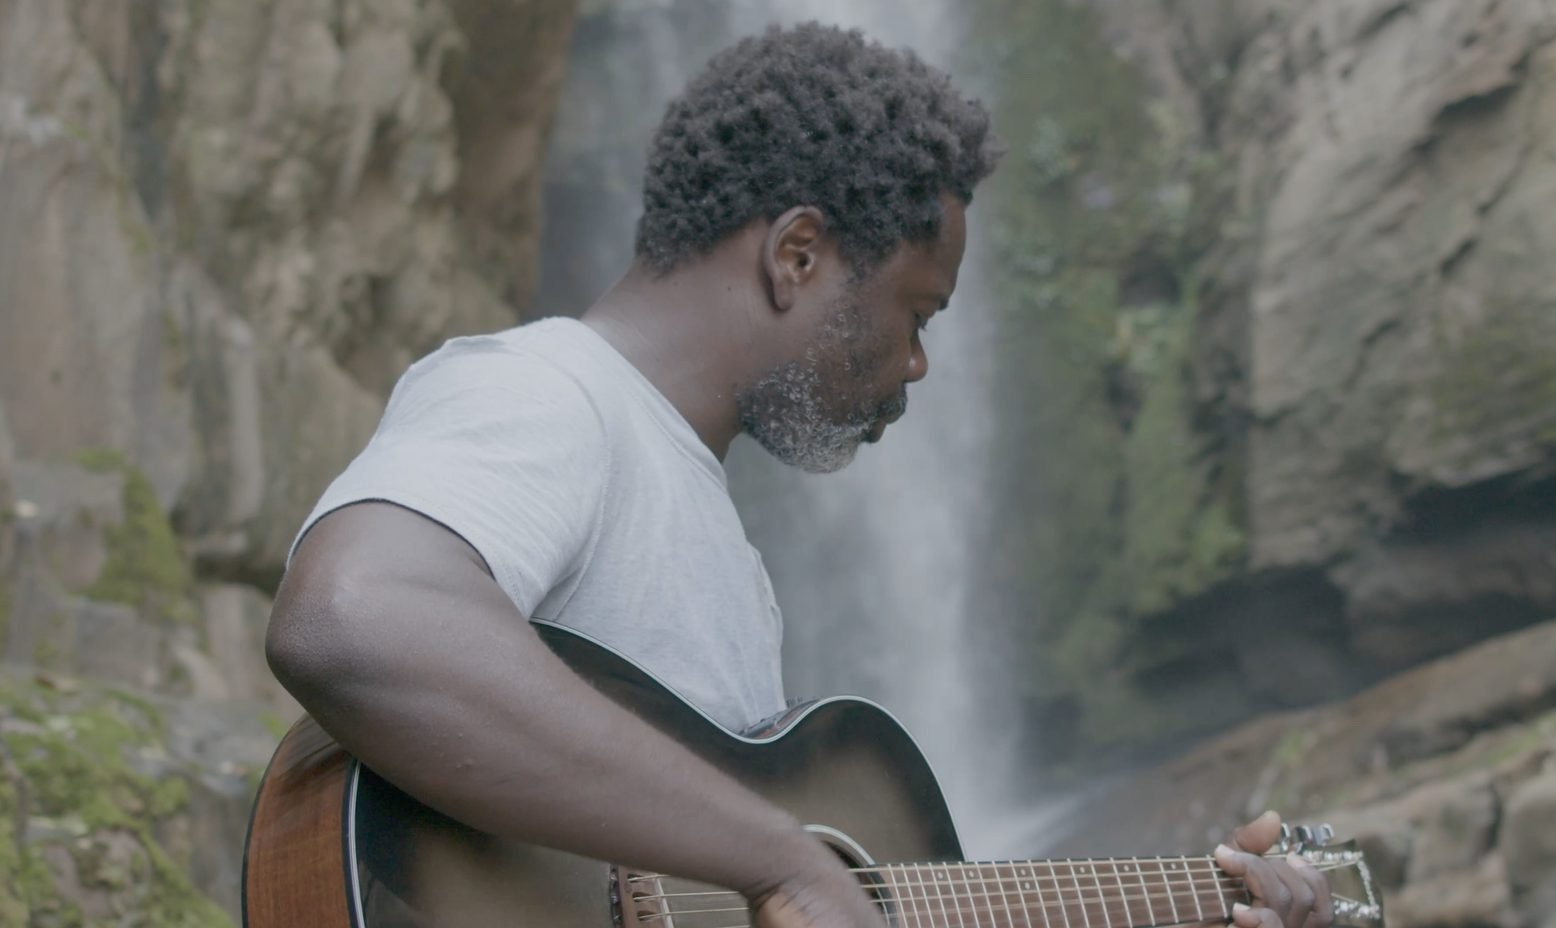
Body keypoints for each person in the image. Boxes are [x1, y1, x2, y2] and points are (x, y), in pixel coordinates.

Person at [265, 22, 1331, 928]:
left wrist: (1197, 897)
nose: (916, 363)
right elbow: (355, 618)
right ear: (798, 256)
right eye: (916, 313)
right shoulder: (549, 391)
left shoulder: (711, 534)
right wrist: (780, 855)